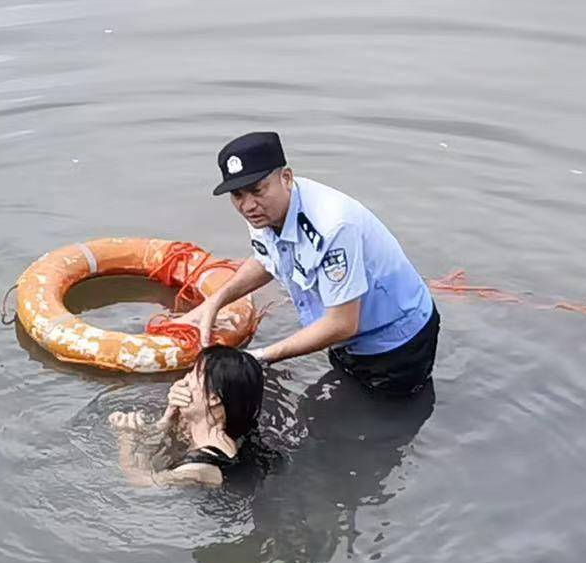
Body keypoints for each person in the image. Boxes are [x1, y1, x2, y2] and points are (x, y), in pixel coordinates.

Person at [181, 131, 439, 398]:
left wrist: (260, 356)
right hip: (346, 342)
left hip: (395, 344)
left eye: (257, 190)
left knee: (384, 421)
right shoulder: (265, 211)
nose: (247, 205)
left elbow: (342, 324)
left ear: (286, 178)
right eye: (237, 195)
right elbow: (266, 258)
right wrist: (214, 302)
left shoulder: (333, 226)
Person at [109, 345, 264, 487]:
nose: (183, 381)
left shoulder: (197, 470)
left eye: (193, 375)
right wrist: (169, 416)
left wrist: (126, 440)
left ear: (214, 398)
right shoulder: (235, 438)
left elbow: (141, 483)